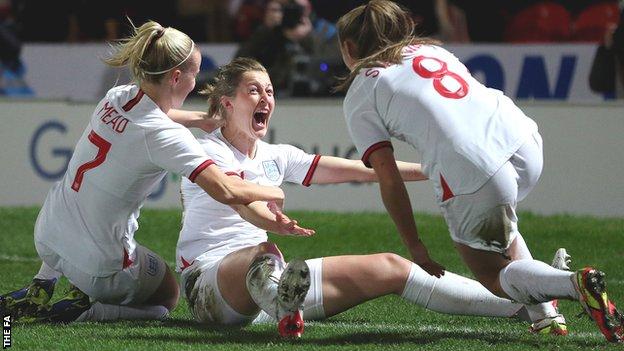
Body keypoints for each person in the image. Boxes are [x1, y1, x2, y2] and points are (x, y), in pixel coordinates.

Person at [174, 57, 565, 339]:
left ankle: (520, 302)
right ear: (226, 103)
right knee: (261, 254)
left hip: (272, 278)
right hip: (211, 286)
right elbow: (240, 200)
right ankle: (281, 301)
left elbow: (361, 170)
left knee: (391, 267)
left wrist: (434, 168)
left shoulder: (278, 155)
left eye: (270, 91)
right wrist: (269, 219)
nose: (266, 98)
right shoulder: (207, 151)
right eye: (253, 90)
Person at [334, 0, 623, 342]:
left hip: (475, 167)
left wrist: (415, 246)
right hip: (524, 139)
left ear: (349, 48)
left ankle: (573, 283)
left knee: (491, 275)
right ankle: (547, 317)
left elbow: (389, 177)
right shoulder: (432, 52)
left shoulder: (361, 91)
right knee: (499, 225)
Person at [0, 20, 296, 329]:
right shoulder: (165, 136)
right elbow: (226, 190)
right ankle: (86, 310)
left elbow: (154, 114)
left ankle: (41, 284)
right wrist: (275, 191)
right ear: (177, 77)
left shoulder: (117, 96)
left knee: (81, 201)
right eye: (195, 75)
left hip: (47, 235)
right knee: (167, 297)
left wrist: (198, 119)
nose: (197, 82)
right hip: (100, 268)